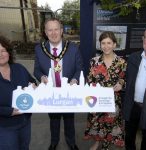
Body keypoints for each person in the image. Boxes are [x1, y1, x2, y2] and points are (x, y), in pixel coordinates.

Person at [34, 18, 82, 150]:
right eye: (50, 29)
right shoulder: (39, 49)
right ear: (45, 32)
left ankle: (71, 142)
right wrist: (42, 77)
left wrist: (75, 80)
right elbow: (36, 70)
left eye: (56, 29)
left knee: (69, 119)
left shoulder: (73, 48)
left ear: (61, 31)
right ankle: (54, 142)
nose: (53, 33)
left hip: (68, 91)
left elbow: (79, 68)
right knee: (53, 120)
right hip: (51, 92)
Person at [84, 31, 126, 150]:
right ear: (100, 45)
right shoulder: (94, 61)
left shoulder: (121, 62)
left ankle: (105, 146)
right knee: (97, 122)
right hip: (96, 99)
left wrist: (120, 84)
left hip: (113, 100)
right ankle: (97, 143)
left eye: (109, 43)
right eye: (103, 43)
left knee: (109, 123)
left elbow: (123, 78)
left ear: (114, 44)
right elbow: (90, 80)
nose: (106, 46)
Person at [0, 35, 36, 150]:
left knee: (25, 147)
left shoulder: (19, 68)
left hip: (25, 121)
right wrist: (9, 111)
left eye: (3, 50)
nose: (1, 54)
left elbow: (32, 81)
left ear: (9, 52)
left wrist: (34, 86)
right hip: (4, 126)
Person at [123, 26, 146, 150]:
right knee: (129, 138)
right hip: (133, 105)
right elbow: (126, 79)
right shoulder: (134, 57)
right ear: (143, 39)